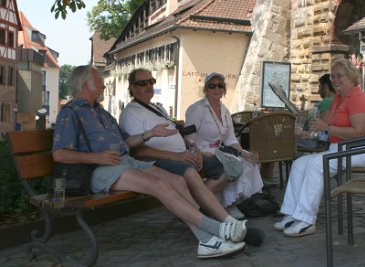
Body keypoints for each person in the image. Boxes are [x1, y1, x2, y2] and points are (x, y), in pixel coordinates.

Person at [52, 65, 247, 259]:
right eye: (100, 81)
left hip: (124, 161)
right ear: (86, 84)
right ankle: (216, 230)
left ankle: (206, 240)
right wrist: (96, 157)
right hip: (99, 169)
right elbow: (59, 154)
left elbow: (126, 142)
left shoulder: (101, 113)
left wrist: (148, 134)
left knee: (177, 181)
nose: (104, 86)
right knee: (160, 185)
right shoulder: (71, 112)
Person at [119, 68, 247, 220]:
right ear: (133, 88)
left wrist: (194, 149)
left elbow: (179, 134)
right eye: (142, 83)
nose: (149, 86)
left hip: (183, 155)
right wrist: (177, 156)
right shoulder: (131, 113)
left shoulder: (157, 108)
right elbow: (138, 152)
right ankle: (204, 217)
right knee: (189, 172)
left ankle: (195, 206)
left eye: (151, 81)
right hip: (158, 162)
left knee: (226, 167)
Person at [274, 58, 365, 237]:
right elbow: (326, 127)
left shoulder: (357, 98)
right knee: (299, 164)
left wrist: (327, 129)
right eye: (333, 76)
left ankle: (306, 220)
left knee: (316, 165)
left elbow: (358, 132)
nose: (335, 80)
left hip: (361, 149)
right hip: (339, 148)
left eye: (339, 76)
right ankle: (292, 213)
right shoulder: (338, 99)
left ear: (352, 76)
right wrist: (309, 134)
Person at [185, 72, 264, 216]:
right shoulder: (197, 109)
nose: (216, 89)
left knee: (248, 162)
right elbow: (188, 138)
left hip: (218, 151)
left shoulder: (225, 110)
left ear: (224, 90)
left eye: (220, 86)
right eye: (212, 86)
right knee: (232, 165)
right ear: (206, 89)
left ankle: (232, 202)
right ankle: (209, 204)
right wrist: (199, 152)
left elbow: (230, 139)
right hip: (202, 152)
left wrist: (244, 152)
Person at [297, 74, 336, 149]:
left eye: (320, 87)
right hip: (319, 140)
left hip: (316, 142)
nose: (318, 91)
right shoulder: (336, 100)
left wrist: (306, 134)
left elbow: (323, 133)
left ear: (325, 86)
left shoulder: (327, 101)